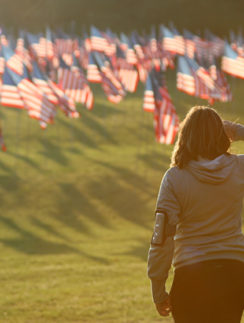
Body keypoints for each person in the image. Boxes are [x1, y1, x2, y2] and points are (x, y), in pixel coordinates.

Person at [147, 106, 244, 323]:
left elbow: (162, 239)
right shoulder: (238, 167)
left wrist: (158, 287)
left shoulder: (174, 178)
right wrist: (238, 131)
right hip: (234, 273)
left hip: (191, 276)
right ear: (222, 134)